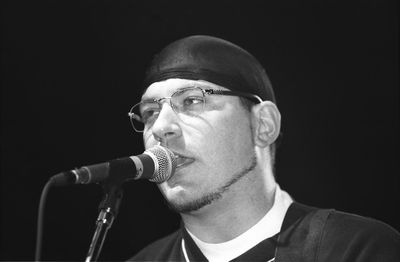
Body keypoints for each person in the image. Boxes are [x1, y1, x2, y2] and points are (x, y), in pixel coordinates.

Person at [128, 35, 400, 262]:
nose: (161, 126)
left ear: (263, 125)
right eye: (150, 111)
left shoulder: (355, 249)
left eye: (192, 101)